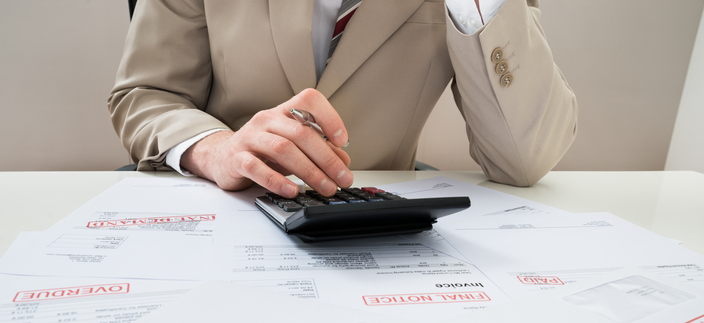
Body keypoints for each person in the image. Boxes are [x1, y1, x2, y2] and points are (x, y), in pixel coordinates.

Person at [109, 0, 577, 198]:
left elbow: (526, 158)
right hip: (229, 203)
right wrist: (214, 150)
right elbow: (146, 94)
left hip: (377, 226)